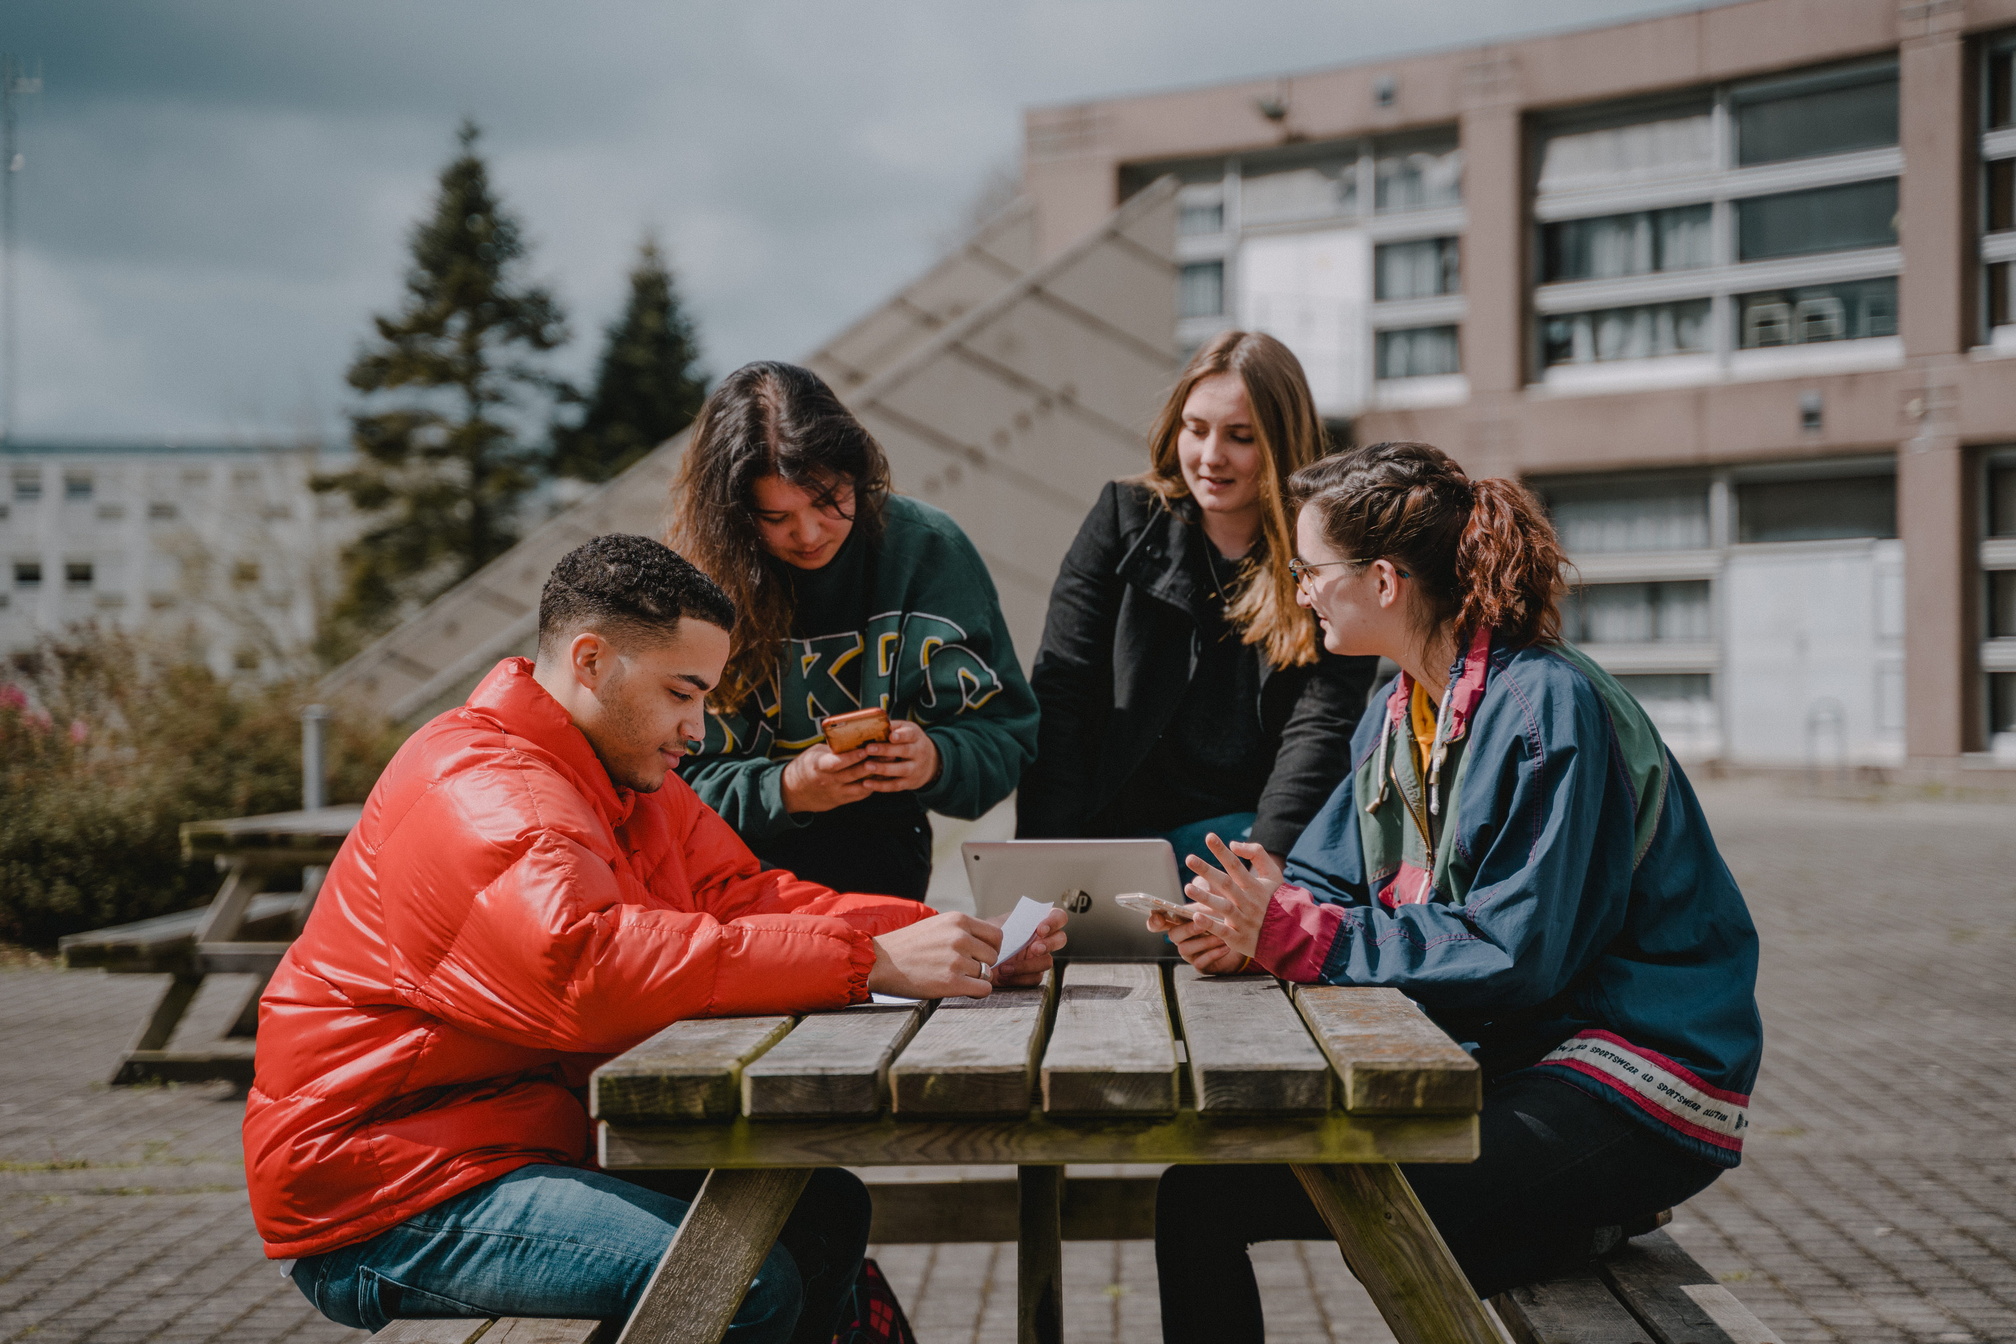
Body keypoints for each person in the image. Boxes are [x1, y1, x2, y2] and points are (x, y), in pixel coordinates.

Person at [247, 534, 1065, 1341]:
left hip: (523, 1132)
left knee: (823, 1207)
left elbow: (748, 898)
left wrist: (952, 939)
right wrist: (872, 961)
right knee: (741, 1285)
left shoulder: (624, 776)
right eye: (683, 693)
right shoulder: (489, 789)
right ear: (592, 661)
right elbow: (588, 968)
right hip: (381, 1184)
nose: (700, 729)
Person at [1148, 441, 1763, 1340]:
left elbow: (1515, 952)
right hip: (1523, 1058)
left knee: (1418, 1226)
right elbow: (1323, 877)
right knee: (1197, 1191)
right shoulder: (1398, 707)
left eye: (1309, 568)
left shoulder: (1544, 706)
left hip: (1639, 1073)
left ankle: (1586, 1208)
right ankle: (1569, 1214)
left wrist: (1301, 936)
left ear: (1384, 581)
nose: (1300, 587)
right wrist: (1247, 925)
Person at [672, 361, 1038, 901]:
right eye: (776, 518)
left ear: (860, 473)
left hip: (886, 875)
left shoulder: (930, 552)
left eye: (828, 501)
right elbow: (660, 785)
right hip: (730, 884)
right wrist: (787, 790)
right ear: (731, 516)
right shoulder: (693, 583)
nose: (810, 533)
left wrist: (936, 759)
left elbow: (1007, 739)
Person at [1017, 330, 1378, 868]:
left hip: (1246, 835)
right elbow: (1061, 689)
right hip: (1117, 834)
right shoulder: (1124, 518)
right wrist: (1043, 861)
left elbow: (1323, 721)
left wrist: (1270, 861)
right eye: (1195, 429)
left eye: (1240, 436)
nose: (1211, 456)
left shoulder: (1330, 549)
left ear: (1280, 442)